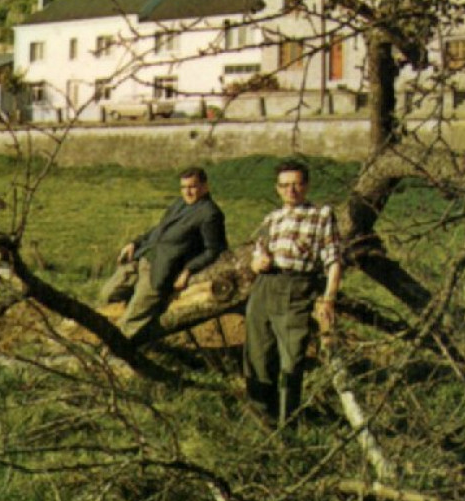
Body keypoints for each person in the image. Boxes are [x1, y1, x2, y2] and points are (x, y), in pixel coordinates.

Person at [244, 158, 342, 428]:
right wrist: (257, 263)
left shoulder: (321, 215)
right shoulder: (271, 219)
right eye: (285, 186)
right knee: (258, 354)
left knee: (291, 358)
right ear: (277, 189)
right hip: (264, 287)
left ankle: (288, 422)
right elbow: (256, 257)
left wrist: (329, 298)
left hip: (296, 287)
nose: (292, 190)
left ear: (307, 185)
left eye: (297, 184)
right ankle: (262, 417)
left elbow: (333, 261)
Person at [98, 166, 228, 338]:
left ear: (205, 187)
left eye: (192, 187)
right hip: (143, 256)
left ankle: (115, 351)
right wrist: (135, 243)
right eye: (183, 187)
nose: (187, 192)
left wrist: (188, 270)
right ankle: (109, 331)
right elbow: (159, 230)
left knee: (132, 320)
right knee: (107, 294)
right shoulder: (179, 204)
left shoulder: (210, 214)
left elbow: (214, 250)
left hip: (160, 271)